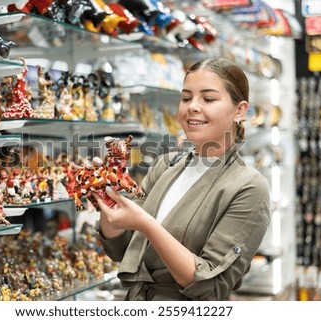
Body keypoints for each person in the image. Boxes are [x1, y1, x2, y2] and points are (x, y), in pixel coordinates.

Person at [93, 57, 271, 300]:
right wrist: (108, 205)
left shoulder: (248, 187)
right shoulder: (165, 165)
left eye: (208, 99)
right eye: (186, 98)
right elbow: (122, 250)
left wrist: (146, 223)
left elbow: (210, 287)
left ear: (239, 111)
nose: (192, 107)